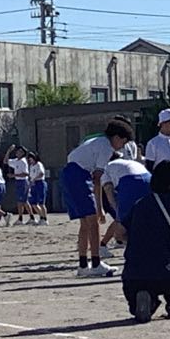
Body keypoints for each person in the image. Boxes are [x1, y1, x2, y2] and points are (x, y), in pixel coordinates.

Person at [122, 160, 170, 323]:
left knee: (143, 282)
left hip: (132, 275)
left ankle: (145, 299)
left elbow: (119, 233)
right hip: (165, 274)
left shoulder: (140, 203)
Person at [61, 119, 132, 277]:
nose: (121, 146)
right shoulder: (106, 147)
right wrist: (99, 209)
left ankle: (83, 265)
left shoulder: (96, 140)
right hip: (79, 175)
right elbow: (97, 179)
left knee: (85, 224)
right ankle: (95, 263)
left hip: (69, 173)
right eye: (123, 142)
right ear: (116, 137)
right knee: (93, 223)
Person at [4, 145, 34, 225]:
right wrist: (9, 151)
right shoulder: (16, 161)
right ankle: (30, 217)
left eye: (20, 151)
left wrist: (13, 175)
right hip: (18, 181)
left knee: (22, 201)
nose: (17, 152)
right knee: (22, 201)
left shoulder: (23, 162)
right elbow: (6, 161)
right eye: (17, 151)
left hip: (23, 182)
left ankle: (22, 218)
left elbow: (26, 173)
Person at [27, 152, 49, 226]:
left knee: (41, 203)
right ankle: (41, 217)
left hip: (39, 183)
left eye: (31, 158)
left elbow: (41, 173)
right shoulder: (31, 166)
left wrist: (34, 179)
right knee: (33, 203)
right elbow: (31, 176)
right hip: (33, 185)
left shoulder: (38, 164)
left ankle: (45, 219)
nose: (30, 160)